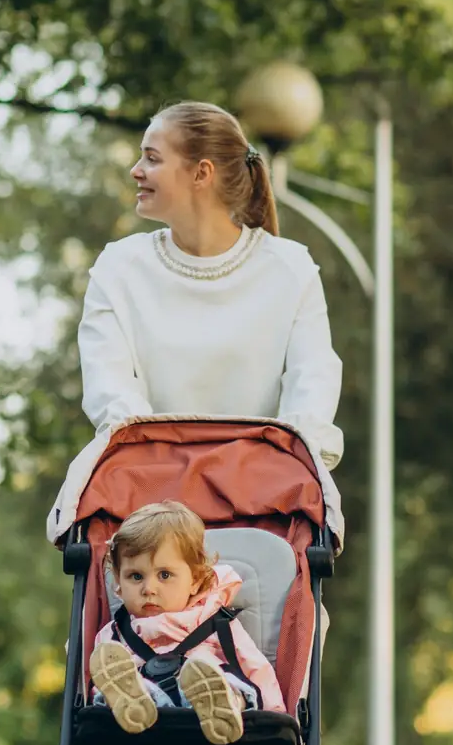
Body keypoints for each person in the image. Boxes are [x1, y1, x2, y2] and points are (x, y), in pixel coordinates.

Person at [78, 100, 343, 469]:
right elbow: (110, 391)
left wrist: (270, 474)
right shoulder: (119, 267)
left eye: (152, 158)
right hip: (150, 488)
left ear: (201, 173)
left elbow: (312, 389)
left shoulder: (290, 269)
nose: (135, 170)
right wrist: (166, 469)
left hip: (264, 496)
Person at [90, 501, 285, 745]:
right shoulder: (115, 634)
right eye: (135, 576)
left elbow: (256, 668)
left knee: (224, 678)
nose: (149, 589)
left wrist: (276, 716)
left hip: (206, 703)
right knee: (126, 683)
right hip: (151, 716)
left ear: (194, 580)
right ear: (118, 580)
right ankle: (134, 703)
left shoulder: (216, 621)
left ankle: (222, 705)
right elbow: (103, 678)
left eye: (165, 575)